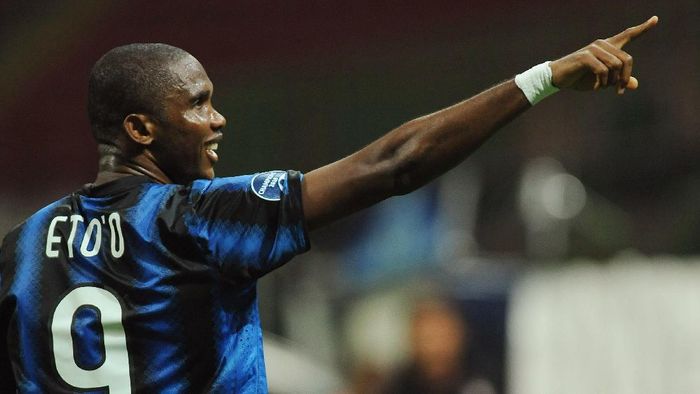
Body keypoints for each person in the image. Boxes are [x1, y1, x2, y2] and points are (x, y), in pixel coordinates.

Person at [0, 16, 658, 393]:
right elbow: (391, 166)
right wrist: (542, 80)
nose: (217, 120)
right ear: (140, 129)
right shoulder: (192, 220)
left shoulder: (21, 250)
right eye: (197, 102)